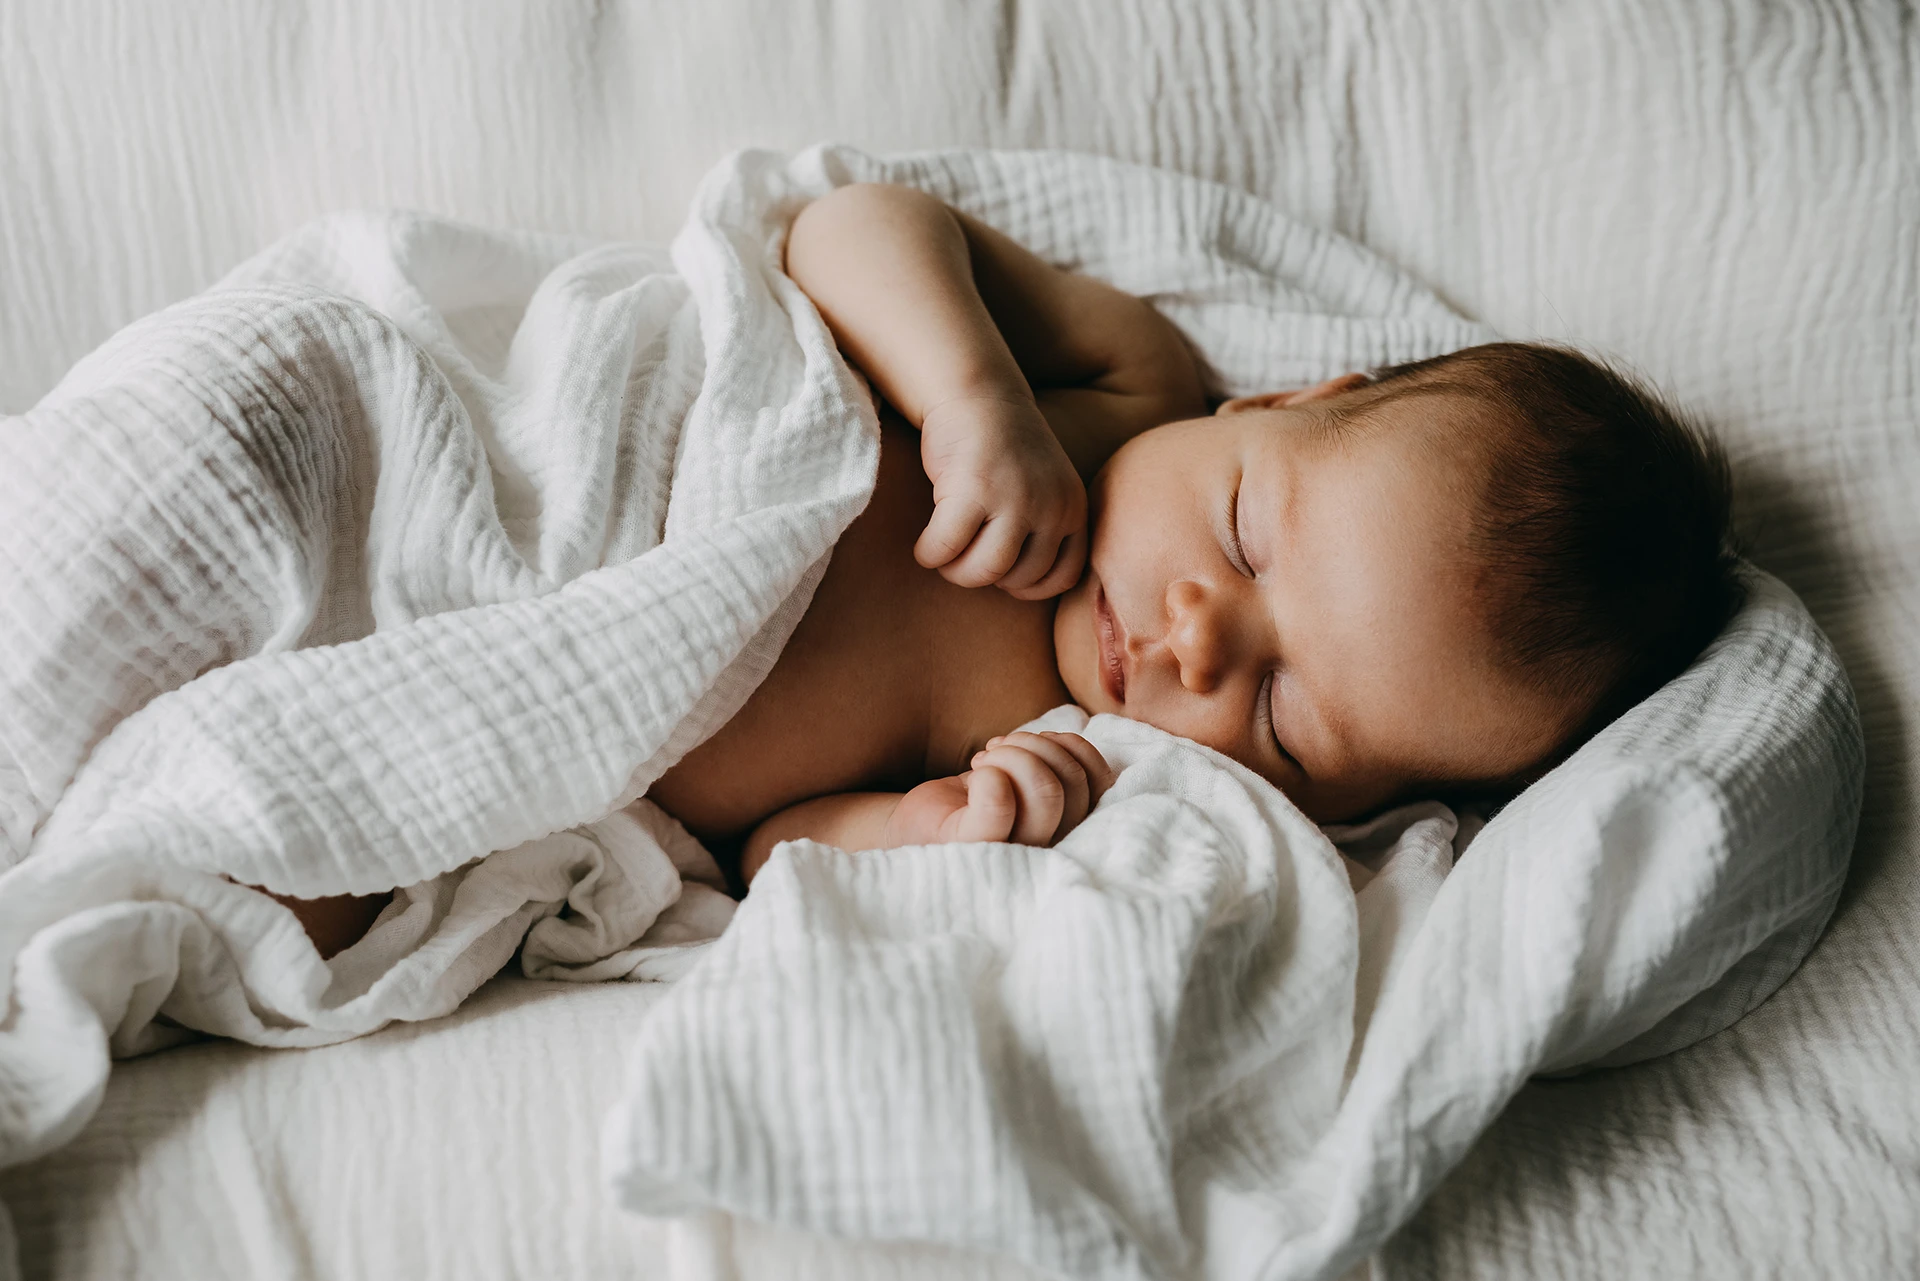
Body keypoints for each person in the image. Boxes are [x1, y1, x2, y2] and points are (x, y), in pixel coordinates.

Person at [282, 182, 1742, 953]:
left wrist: (924, 833)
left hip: (488, 724)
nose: (1196, 644)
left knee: (293, 877)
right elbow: (847, 225)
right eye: (1244, 538)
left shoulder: (1077, 764)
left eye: (1290, 718)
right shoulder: (1125, 383)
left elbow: (761, 857)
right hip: (485, 460)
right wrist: (970, 393)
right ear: (1278, 406)